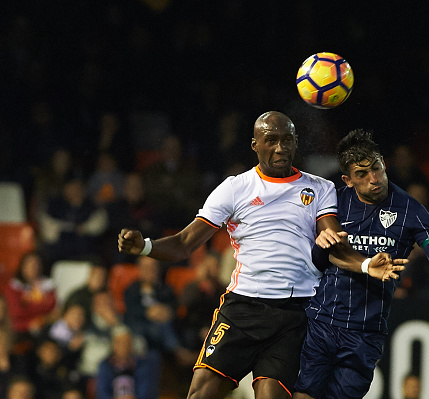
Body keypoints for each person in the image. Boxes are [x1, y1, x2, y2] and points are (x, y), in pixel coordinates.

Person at [117, 111, 405, 399]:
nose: (280, 148)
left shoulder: (320, 188)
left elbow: (335, 247)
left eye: (287, 140)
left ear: (295, 143)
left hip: (295, 315)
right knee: (200, 394)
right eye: (271, 140)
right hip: (243, 308)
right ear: (255, 144)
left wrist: (366, 264)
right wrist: (145, 246)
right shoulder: (235, 188)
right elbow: (184, 242)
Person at [293, 129, 429, 399]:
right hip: (321, 322)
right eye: (362, 174)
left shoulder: (411, 210)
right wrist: (320, 246)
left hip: (366, 333)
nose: (374, 179)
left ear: (384, 163)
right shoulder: (334, 203)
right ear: (348, 179)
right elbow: (317, 263)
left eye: (376, 168)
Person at [95, 325, 161, 399]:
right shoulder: (105, 365)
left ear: (132, 344)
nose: (124, 346)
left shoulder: (143, 364)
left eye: (127, 342)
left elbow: (147, 392)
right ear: (113, 344)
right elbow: (102, 394)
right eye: (119, 342)